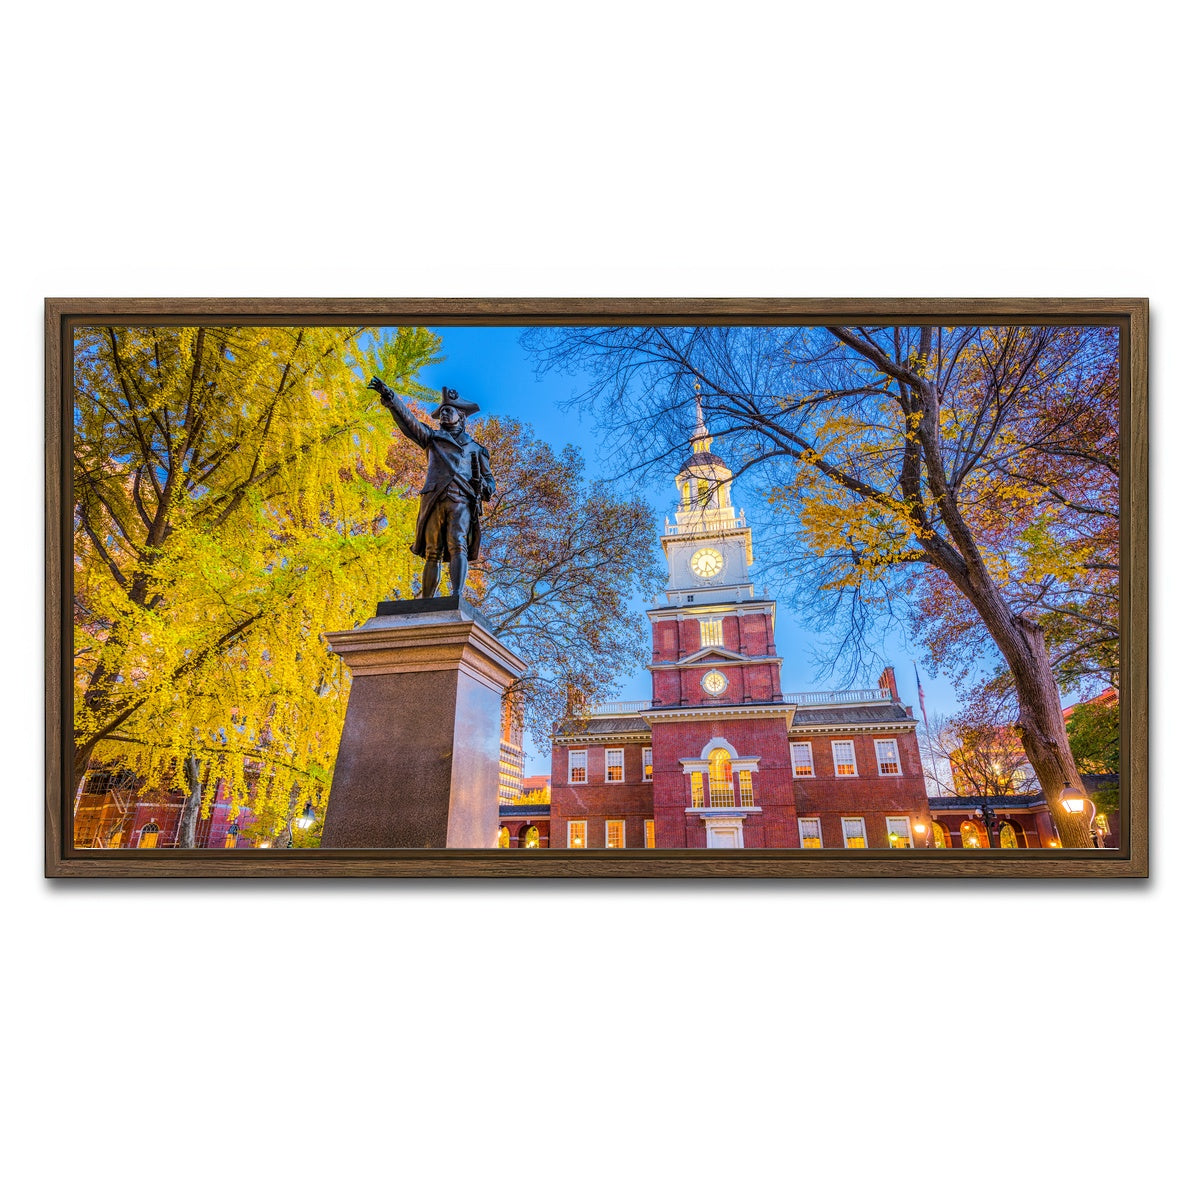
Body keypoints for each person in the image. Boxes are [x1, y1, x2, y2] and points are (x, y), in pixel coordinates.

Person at [368, 379, 494, 598]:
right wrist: (391, 399)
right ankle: (426, 601)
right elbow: (410, 424)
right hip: (434, 498)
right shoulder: (432, 438)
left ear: (461, 416)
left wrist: (484, 486)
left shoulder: (476, 449)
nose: (444, 414)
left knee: (458, 544)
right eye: (442, 411)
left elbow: (490, 481)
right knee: (432, 551)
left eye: (449, 410)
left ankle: (456, 595)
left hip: (461, 501)